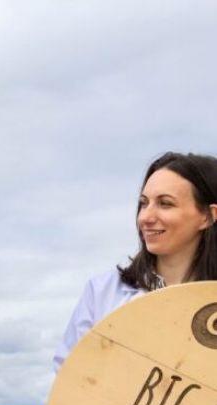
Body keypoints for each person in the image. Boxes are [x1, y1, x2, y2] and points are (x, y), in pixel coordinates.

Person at [54, 151, 217, 370]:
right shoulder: (102, 293)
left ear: (208, 216)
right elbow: (70, 379)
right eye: (143, 203)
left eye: (165, 204)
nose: (146, 217)